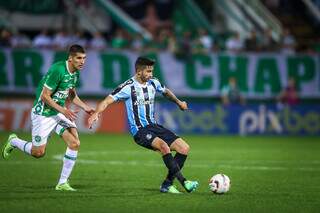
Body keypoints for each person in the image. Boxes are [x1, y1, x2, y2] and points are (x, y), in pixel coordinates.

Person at [88, 57, 198, 194]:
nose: (151, 74)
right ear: (139, 72)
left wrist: (179, 102)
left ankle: (167, 184)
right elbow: (106, 101)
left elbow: (166, 92)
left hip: (154, 126)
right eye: (148, 71)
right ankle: (184, 182)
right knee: (164, 146)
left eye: (152, 71)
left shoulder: (153, 82)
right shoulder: (128, 87)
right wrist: (96, 113)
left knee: (184, 148)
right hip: (139, 131)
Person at [2, 44, 94, 191]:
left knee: (74, 143)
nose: (82, 61)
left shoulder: (75, 72)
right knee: (38, 153)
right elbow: (45, 96)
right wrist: (63, 110)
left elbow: (71, 94)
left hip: (57, 112)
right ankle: (14, 141)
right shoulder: (58, 70)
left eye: (84, 58)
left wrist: (85, 107)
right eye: (79, 58)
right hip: (43, 113)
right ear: (70, 58)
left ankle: (62, 183)